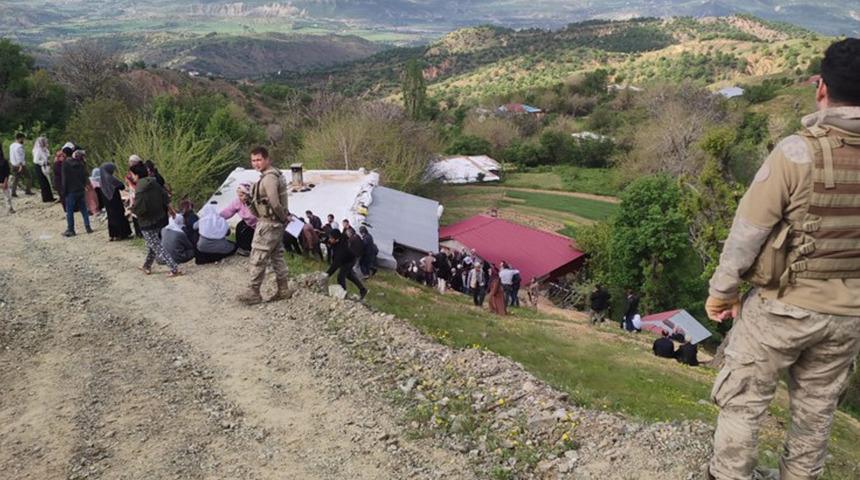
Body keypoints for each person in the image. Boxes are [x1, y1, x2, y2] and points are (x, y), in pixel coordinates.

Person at [704, 39, 860, 480]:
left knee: (744, 399)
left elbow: (747, 233)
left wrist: (722, 293)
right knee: (816, 411)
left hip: (783, 307)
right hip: (848, 315)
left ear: (821, 88)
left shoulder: (797, 152)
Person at [238, 146, 291, 305]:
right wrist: (247, 199)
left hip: (269, 224)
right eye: (253, 160)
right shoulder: (271, 176)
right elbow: (262, 205)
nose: (256, 163)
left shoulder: (269, 178)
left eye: (259, 160)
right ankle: (283, 289)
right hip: (272, 223)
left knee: (258, 257)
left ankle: (254, 292)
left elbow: (274, 203)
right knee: (277, 256)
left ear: (267, 159)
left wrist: (282, 218)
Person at [129, 162, 182, 277]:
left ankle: (174, 268)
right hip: (159, 218)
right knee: (153, 244)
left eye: (132, 175)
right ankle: (146, 266)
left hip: (147, 222)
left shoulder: (140, 188)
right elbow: (164, 196)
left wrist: (131, 210)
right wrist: (171, 210)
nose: (132, 177)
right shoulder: (154, 182)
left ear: (137, 175)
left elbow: (139, 207)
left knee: (156, 246)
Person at [326, 229, 368, 300]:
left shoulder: (342, 248)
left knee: (340, 276)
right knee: (349, 275)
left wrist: (327, 275)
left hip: (349, 260)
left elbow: (336, 264)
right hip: (344, 259)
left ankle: (343, 294)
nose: (330, 239)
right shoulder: (337, 240)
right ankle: (363, 289)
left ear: (336, 239)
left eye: (331, 238)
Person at [61, 150, 93, 237]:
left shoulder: (65, 164)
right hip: (80, 189)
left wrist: (63, 192)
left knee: (70, 211)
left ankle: (71, 229)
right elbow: (84, 177)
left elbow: (64, 179)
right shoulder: (81, 164)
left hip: (70, 190)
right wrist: (83, 186)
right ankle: (88, 227)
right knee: (84, 209)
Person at [219, 183, 256, 255]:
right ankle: (243, 249)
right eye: (240, 196)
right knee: (240, 227)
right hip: (248, 223)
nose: (243, 198)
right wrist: (216, 217)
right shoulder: (237, 202)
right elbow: (228, 211)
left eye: (244, 195)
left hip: (260, 224)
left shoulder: (256, 201)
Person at [98, 163, 132, 241]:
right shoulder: (110, 177)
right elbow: (121, 186)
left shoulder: (101, 179)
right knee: (119, 215)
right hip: (114, 199)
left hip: (107, 200)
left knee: (111, 217)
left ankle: (113, 234)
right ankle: (123, 234)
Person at [9, 133, 33, 197]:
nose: (23, 140)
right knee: (29, 177)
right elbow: (19, 156)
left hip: (13, 164)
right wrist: (21, 165)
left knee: (15, 179)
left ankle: (13, 192)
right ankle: (28, 191)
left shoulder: (11, 145)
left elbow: (11, 155)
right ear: (20, 138)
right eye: (23, 138)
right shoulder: (19, 146)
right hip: (20, 165)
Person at [126, 154, 144, 237]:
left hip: (138, 191)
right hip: (133, 192)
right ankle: (138, 232)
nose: (130, 163)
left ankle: (141, 231)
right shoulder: (130, 171)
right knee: (134, 211)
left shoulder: (140, 170)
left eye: (131, 161)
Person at [31, 136, 54, 202]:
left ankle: (50, 197)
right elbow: (35, 160)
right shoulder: (38, 150)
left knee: (47, 182)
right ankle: (46, 198)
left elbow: (47, 155)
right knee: (44, 183)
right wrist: (44, 162)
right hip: (40, 167)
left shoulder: (44, 149)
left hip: (44, 166)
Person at [0, 142, 13, 214]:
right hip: (3, 179)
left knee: (7, 195)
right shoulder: (4, 161)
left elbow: (7, 172)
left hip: (3, 179)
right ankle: (9, 208)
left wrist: (5, 182)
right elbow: (7, 172)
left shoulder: (4, 161)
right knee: (7, 194)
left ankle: (9, 208)